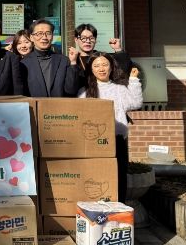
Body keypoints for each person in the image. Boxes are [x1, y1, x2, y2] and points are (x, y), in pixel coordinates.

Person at [78, 52, 143, 203]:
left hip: (117, 140)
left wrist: (133, 80)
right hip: (93, 142)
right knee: (96, 177)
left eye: (104, 65)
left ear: (111, 67)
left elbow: (136, 103)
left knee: (119, 177)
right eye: (96, 65)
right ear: (91, 69)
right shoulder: (84, 92)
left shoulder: (119, 89)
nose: (101, 69)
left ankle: (119, 207)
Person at [19, 19, 79, 97]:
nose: (44, 37)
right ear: (31, 37)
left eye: (48, 33)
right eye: (39, 33)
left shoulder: (64, 61)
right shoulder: (24, 63)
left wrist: (73, 63)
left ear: (52, 36)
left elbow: (71, 90)